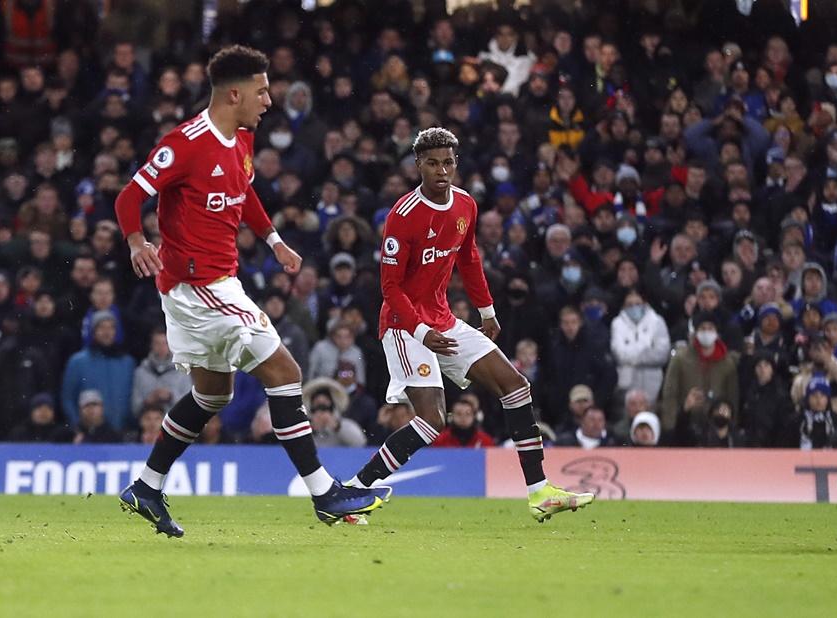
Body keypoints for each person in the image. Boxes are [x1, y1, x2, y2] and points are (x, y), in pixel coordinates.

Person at [112, 46, 387, 537]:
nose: (268, 100)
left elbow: (245, 192)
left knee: (213, 394)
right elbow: (130, 195)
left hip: (210, 283)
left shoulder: (239, 140)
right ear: (233, 93)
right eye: (261, 91)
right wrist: (136, 240)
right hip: (200, 287)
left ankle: (147, 486)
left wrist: (275, 240)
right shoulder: (185, 143)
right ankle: (324, 492)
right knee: (285, 370)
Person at [351, 126, 592, 522]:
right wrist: (420, 331)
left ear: (456, 163)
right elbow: (390, 288)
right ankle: (358, 491)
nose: (441, 170)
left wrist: (487, 310)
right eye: (432, 163)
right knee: (432, 420)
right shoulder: (403, 216)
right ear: (418, 166)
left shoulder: (465, 205)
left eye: (447, 162)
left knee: (515, 387)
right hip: (403, 326)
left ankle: (539, 491)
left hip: (445, 319)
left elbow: (469, 258)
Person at [430, 398, 495, 448]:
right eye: (459, 414)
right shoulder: (440, 440)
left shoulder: (485, 440)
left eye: (468, 414)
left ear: (474, 416)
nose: (463, 417)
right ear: (451, 416)